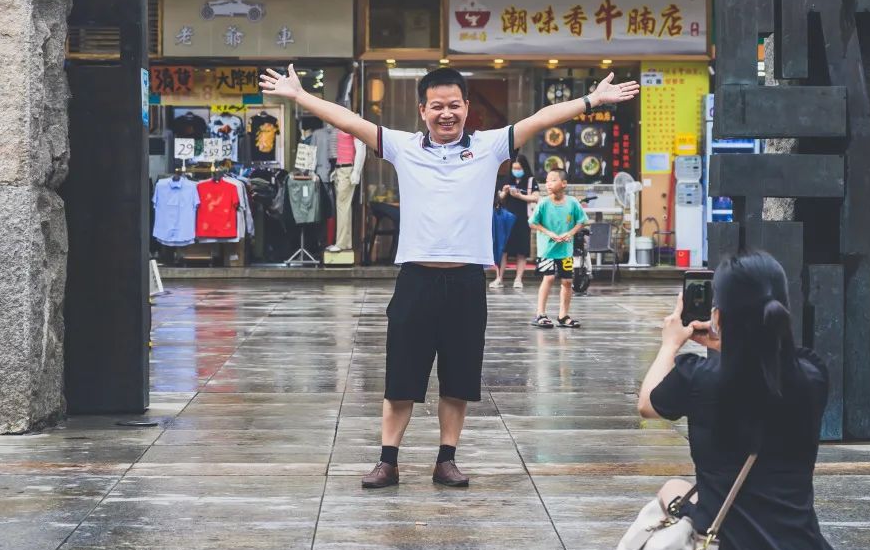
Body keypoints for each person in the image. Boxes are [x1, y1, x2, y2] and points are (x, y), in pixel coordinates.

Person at [259, 62, 639, 490]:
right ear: (422, 110)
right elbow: (349, 120)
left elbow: (540, 118)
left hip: (465, 283)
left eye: (453, 105)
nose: (446, 114)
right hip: (416, 280)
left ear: (467, 107)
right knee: (401, 379)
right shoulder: (403, 146)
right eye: (436, 106)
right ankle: (388, 461)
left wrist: (592, 100)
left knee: (458, 379)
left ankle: (447, 459)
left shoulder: (490, 146)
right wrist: (299, 96)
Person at [636, 252, 835, 550]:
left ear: (717, 313)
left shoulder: (698, 378)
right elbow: (767, 370)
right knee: (775, 518)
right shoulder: (812, 375)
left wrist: (671, 343)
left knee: (670, 495)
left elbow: (648, 403)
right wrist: (732, 344)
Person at [530, 169, 588, 329]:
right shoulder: (543, 203)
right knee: (548, 278)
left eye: (553, 180)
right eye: (547, 180)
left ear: (564, 184)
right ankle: (540, 314)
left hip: (565, 250)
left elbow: (582, 221)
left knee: (567, 281)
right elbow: (533, 222)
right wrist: (549, 233)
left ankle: (563, 316)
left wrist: (571, 233)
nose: (548, 183)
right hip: (547, 249)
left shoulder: (573, 202)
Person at [493, 151, 538, 290]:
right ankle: (499, 278)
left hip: (523, 219)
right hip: (506, 220)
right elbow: (499, 197)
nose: (516, 171)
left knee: (521, 250)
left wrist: (519, 196)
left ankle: (518, 279)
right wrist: (505, 193)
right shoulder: (506, 180)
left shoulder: (530, 180)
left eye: (519, 168)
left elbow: (535, 197)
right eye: (514, 168)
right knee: (503, 249)